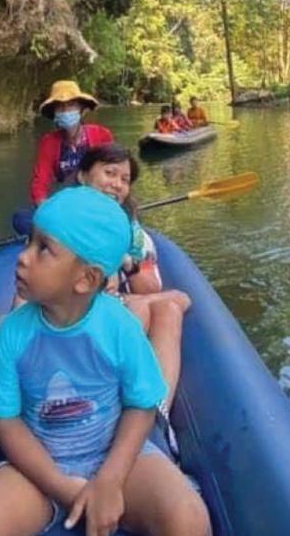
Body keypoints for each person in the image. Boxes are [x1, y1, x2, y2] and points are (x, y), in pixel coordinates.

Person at [0, 187, 210, 536]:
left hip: (118, 458)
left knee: (189, 519)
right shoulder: (12, 333)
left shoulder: (120, 326)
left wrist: (110, 480)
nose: (23, 257)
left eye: (43, 249)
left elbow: (141, 406)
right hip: (39, 470)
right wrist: (62, 486)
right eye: (28, 243)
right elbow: (7, 424)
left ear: (86, 279)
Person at [76, 144, 191, 407]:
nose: (117, 184)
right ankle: (111, 400)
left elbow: (149, 287)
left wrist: (128, 262)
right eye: (109, 173)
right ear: (83, 175)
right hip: (74, 310)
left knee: (172, 307)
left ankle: (156, 410)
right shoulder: (64, 221)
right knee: (161, 303)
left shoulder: (129, 228)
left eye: (125, 180)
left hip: (107, 303)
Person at [14, 80, 112, 236]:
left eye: (71, 105)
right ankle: (68, 232)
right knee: (20, 218)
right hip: (67, 208)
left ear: (81, 109)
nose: (66, 111)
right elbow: (40, 182)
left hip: (97, 205)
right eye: (60, 107)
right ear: (54, 113)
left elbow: (113, 173)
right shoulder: (49, 142)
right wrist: (46, 210)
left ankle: (65, 235)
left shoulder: (101, 135)